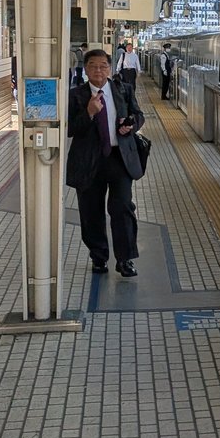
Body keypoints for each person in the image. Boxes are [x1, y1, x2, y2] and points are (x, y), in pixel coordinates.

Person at [66, 48, 144, 277]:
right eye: (93, 66)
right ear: (86, 68)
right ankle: (99, 256)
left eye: (103, 66)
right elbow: (70, 129)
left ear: (110, 68)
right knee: (91, 212)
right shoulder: (76, 95)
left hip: (119, 159)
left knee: (122, 208)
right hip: (89, 161)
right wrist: (89, 113)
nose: (98, 70)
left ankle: (126, 259)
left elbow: (139, 115)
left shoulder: (122, 89)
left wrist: (132, 124)